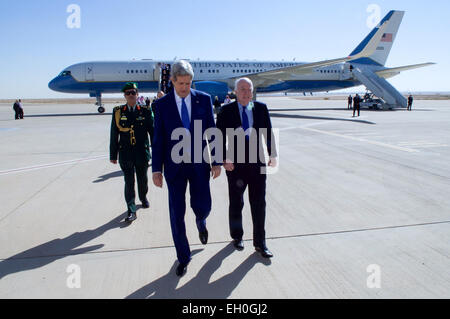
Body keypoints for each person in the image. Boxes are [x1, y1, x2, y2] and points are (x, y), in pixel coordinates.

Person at [151, 60, 221, 277]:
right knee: (176, 213)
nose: (184, 87)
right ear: (172, 81)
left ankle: (201, 220)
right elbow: (159, 139)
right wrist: (156, 169)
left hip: (199, 164)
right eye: (180, 83)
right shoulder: (161, 106)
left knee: (203, 204)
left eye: (188, 83)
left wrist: (216, 160)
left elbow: (212, 132)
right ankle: (183, 256)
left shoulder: (204, 99)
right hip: (174, 168)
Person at [216, 77, 277, 259]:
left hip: (257, 164)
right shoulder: (226, 110)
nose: (246, 92)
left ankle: (260, 243)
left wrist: (272, 155)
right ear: (235, 92)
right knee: (236, 203)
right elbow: (218, 137)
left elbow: (268, 132)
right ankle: (237, 236)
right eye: (242, 89)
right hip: (235, 165)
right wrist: (222, 159)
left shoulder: (260, 108)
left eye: (249, 89)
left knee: (259, 204)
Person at [110, 82, 154, 222]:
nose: (130, 95)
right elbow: (113, 134)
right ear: (124, 95)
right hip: (125, 153)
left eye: (133, 93)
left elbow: (153, 132)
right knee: (129, 182)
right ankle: (131, 209)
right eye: (128, 93)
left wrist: (158, 152)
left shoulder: (146, 111)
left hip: (142, 151)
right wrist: (113, 154)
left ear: (137, 94)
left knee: (143, 180)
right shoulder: (118, 112)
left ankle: (143, 196)